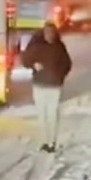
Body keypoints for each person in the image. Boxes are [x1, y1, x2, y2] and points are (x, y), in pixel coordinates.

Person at [21, 21, 72, 153]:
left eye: (52, 32)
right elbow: (25, 60)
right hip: (39, 85)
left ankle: (51, 142)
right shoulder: (36, 46)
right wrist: (33, 65)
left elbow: (67, 64)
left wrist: (60, 76)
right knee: (42, 115)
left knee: (52, 114)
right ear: (43, 33)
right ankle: (45, 140)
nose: (50, 35)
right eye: (47, 32)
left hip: (54, 86)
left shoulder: (59, 47)